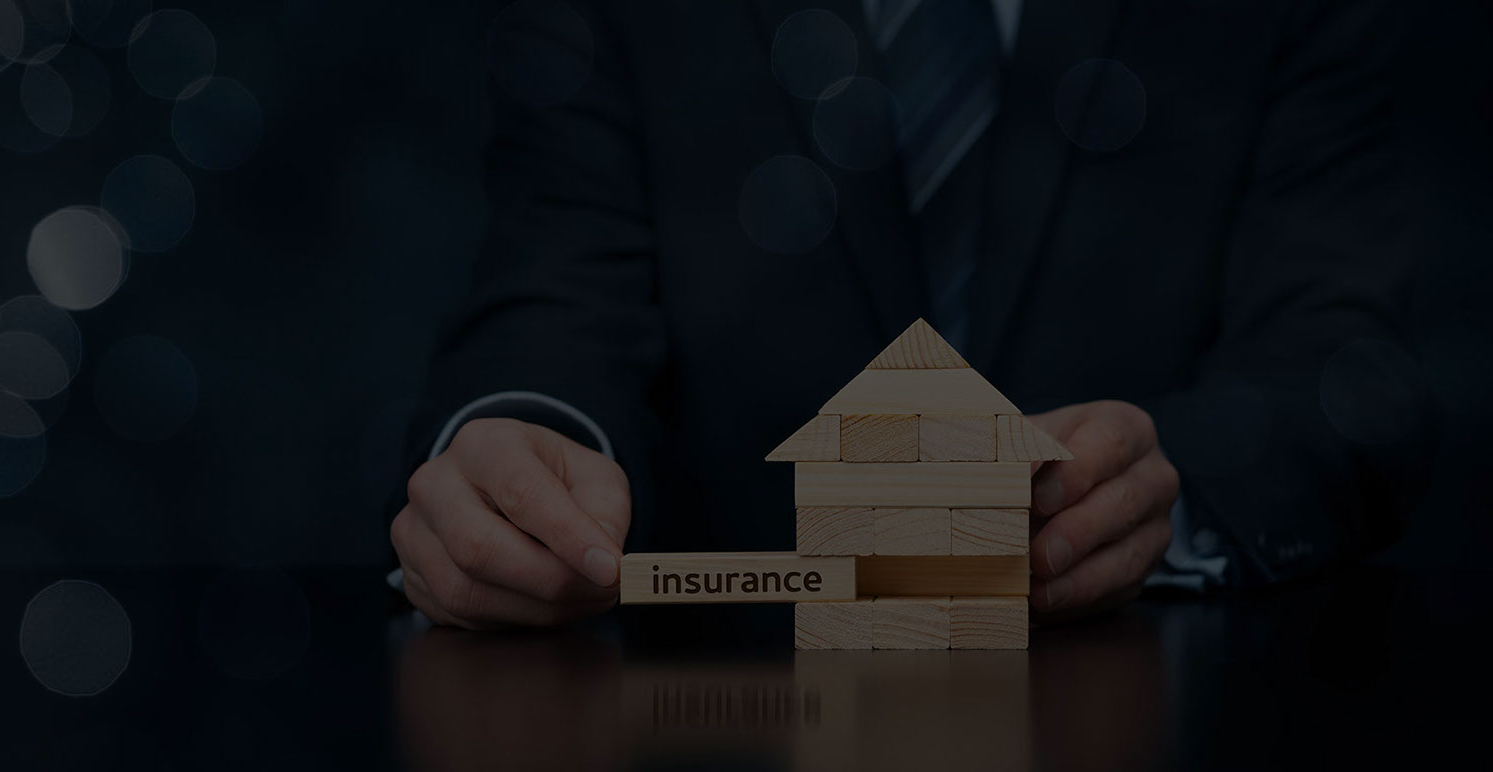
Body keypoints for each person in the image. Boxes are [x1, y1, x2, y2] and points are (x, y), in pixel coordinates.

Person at [391, 0, 1406, 629]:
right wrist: (518, 458)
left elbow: (1343, 364)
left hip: (1154, 711)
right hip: (726, 724)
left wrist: (1171, 482)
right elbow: (552, 301)